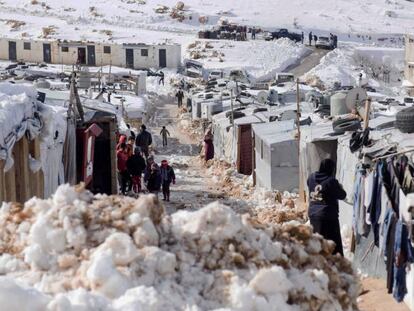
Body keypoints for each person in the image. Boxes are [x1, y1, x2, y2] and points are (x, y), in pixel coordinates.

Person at [307, 159, 347, 256]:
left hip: (313, 214)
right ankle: (334, 264)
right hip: (328, 216)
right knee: (332, 243)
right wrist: (339, 187)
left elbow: (310, 186)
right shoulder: (331, 181)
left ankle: (318, 261)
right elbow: (342, 195)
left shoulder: (311, 177)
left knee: (317, 241)